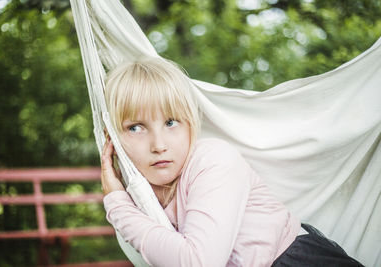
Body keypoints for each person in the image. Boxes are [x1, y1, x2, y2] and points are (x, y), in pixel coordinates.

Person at [100, 57, 363, 267]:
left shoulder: (213, 159)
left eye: (171, 123)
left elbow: (198, 262)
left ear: (191, 125)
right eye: (136, 127)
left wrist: (116, 204)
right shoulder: (142, 195)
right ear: (111, 138)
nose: (159, 145)